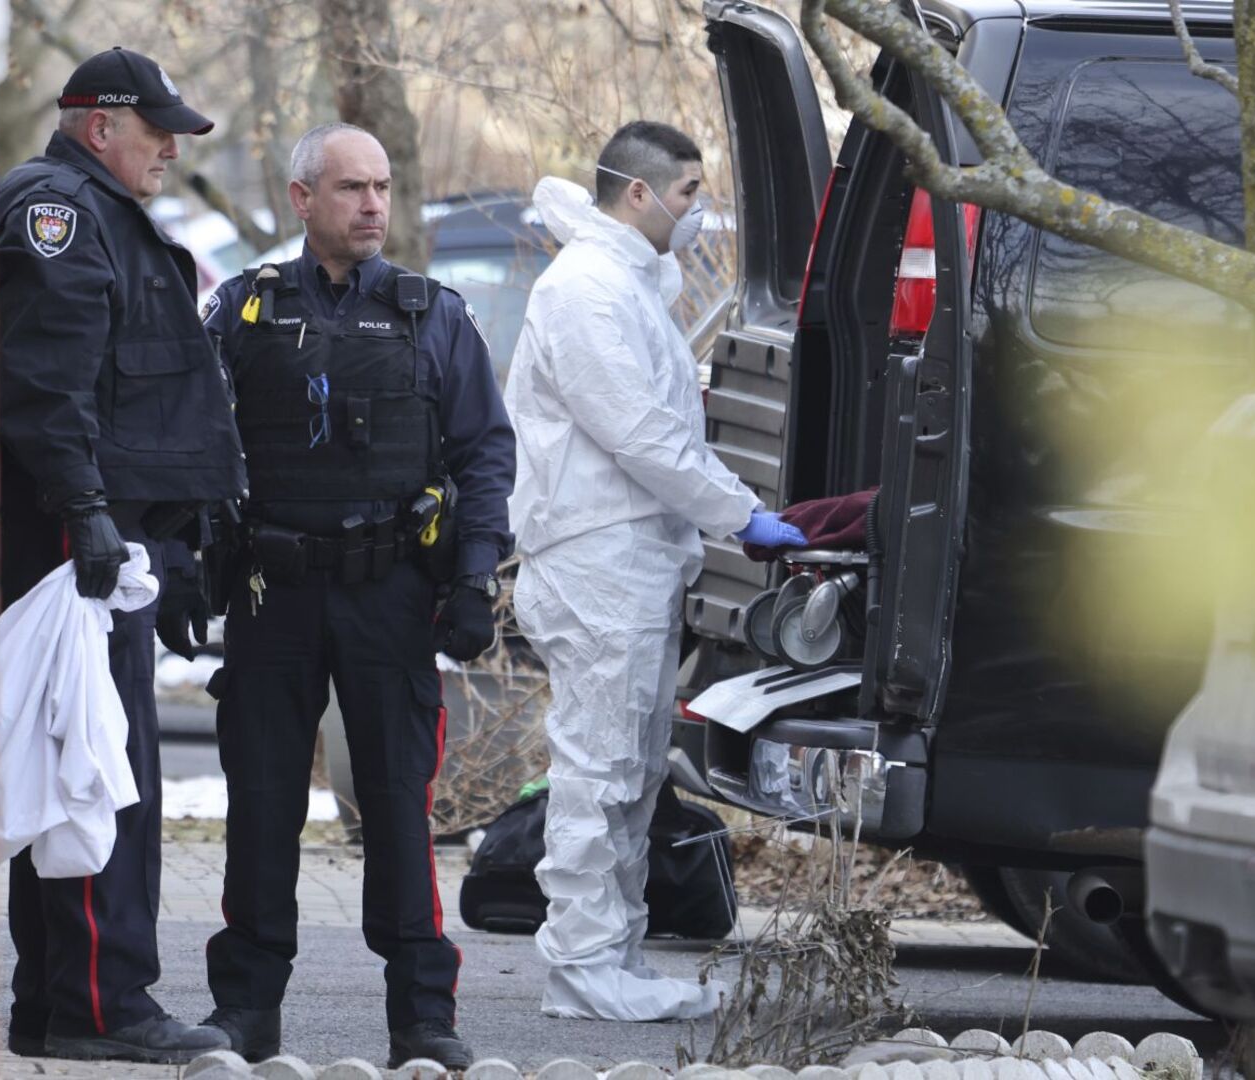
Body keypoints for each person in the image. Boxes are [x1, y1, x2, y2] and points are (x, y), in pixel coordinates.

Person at [199, 123, 513, 1069]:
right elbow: (198, 446)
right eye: (350, 189)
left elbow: (483, 454)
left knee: (395, 807)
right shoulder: (245, 312)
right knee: (260, 806)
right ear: (302, 200)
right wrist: (182, 567)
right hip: (272, 592)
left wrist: (472, 580)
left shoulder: (430, 315)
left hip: (389, 593)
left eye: (380, 187)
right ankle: (245, 1012)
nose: (373, 205)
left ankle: (423, 1018)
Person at [505, 120, 807, 1022]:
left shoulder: (623, 285)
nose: (695, 211)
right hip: (596, 563)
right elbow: (640, 434)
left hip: (628, 564)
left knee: (631, 772)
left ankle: (613, 954)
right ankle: (582, 965)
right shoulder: (587, 294)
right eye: (684, 193)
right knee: (600, 772)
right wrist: (736, 513)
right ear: (636, 194)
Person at [0, 47, 246, 1063]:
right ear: (102, 124)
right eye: (159, 131)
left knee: (74, 768)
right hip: (75, 538)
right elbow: (47, 383)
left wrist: (170, 538)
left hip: (113, 533)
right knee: (98, 772)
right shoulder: (58, 209)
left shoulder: (98, 208)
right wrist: (90, 510)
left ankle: (58, 1002)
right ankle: (104, 1005)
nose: (172, 150)